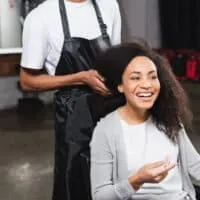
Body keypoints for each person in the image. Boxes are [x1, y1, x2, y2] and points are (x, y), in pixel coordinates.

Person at [19, 0, 121, 199]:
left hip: (112, 110)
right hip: (74, 121)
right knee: (75, 185)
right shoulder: (41, 17)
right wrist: (80, 77)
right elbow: (27, 81)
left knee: (116, 182)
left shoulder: (109, 5)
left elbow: (117, 60)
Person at [90, 42, 200, 200]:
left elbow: (194, 166)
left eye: (152, 77)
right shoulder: (106, 130)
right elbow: (100, 196)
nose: (146, 85)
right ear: (120, 85)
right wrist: (136, 181)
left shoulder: (168, 118)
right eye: (135, 78)